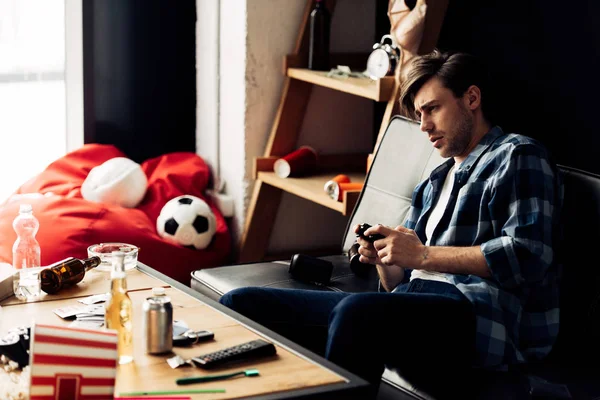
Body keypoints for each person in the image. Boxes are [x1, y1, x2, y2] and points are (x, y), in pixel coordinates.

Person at [219, 50, 563, 398]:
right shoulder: (434, 181)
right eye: (419, 115)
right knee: (240, 303)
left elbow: (528, 256)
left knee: (357, 314)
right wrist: (386, 257)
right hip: (415, 303)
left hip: (475, 315)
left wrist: (422, 255)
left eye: (432, 109)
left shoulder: (517, 155)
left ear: (471, 98)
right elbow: (399, 283)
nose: (424, 125)